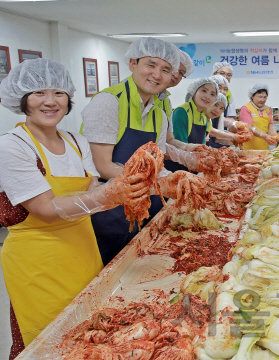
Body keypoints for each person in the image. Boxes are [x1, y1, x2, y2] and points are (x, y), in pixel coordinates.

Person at [0, 59, 152, 356]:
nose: (50, 101)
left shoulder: (75, 141)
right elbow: (45, 207)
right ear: (22, 100)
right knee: (52, 342)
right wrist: (111, 194)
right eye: (38, 93)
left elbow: (92, 188)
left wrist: (129, 188)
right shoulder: (13, 145)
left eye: (58, 93)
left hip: (83, 250)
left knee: (90, 333)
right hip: (38, 260)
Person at [81, 37, 193, 266]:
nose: (157, 75)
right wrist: (158, 186)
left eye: (165, 70)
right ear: (133, 63)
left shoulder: (158, 115)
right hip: (107, 211)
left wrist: (179, 180)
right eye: (150, 65)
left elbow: (157, 165)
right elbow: (102, 165)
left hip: (143, 209)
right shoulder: (108, 102)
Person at [172, 77, 238, 147]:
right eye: (204, 91)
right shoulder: (181, 112)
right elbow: (178, 147)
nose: (207, 97)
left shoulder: (204, 118)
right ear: (194, 92)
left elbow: (202, 146)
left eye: (212, 94)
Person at [239, 83, 277, 150]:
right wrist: (264, 136)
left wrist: (274, 136)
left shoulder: (267, 109)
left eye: (265, 97)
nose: (262, 100)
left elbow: (271, 125)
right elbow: (249, 128)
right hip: (249, 147)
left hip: (263, 147)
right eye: (260, 97)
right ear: (252, 96)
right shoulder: (246, 108)